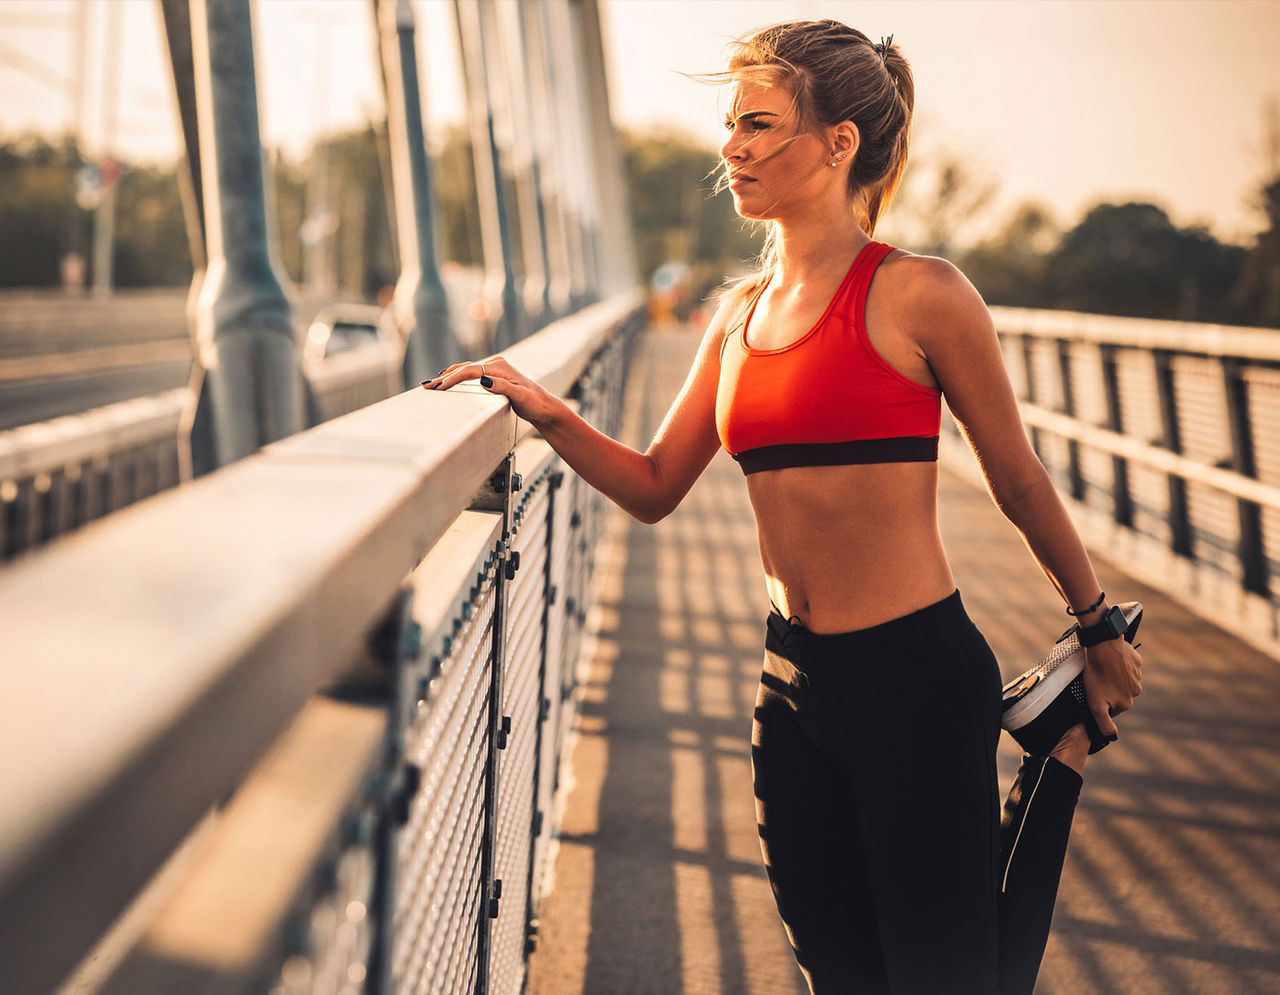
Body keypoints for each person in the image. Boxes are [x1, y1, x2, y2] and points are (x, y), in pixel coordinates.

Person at [425, 19, 1144, 995]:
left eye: (757, 123)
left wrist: (1094, 621)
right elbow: (650, 485)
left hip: (917, 682)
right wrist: (548, 414)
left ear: (837, 144)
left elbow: (1016, 479)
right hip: (790, 686)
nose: (730, 146)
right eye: (729, 124)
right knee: (838, 973)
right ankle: (1052, 733)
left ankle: (1057, 742)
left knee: (948, 976)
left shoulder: (919, 295)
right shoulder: (735, 315)